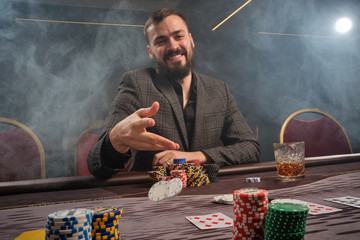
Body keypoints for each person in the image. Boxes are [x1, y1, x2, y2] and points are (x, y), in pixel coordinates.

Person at [87, 8, 260, 179]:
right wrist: (116, 140)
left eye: (179, 36)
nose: (173, 46)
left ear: (191, 40)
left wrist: (198, 157)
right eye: (161, 41)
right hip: (149, 197)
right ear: (150, 52)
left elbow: (250, 149)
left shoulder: (218, 89)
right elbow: (96, 163)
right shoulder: (136, 83)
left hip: (208, 195)